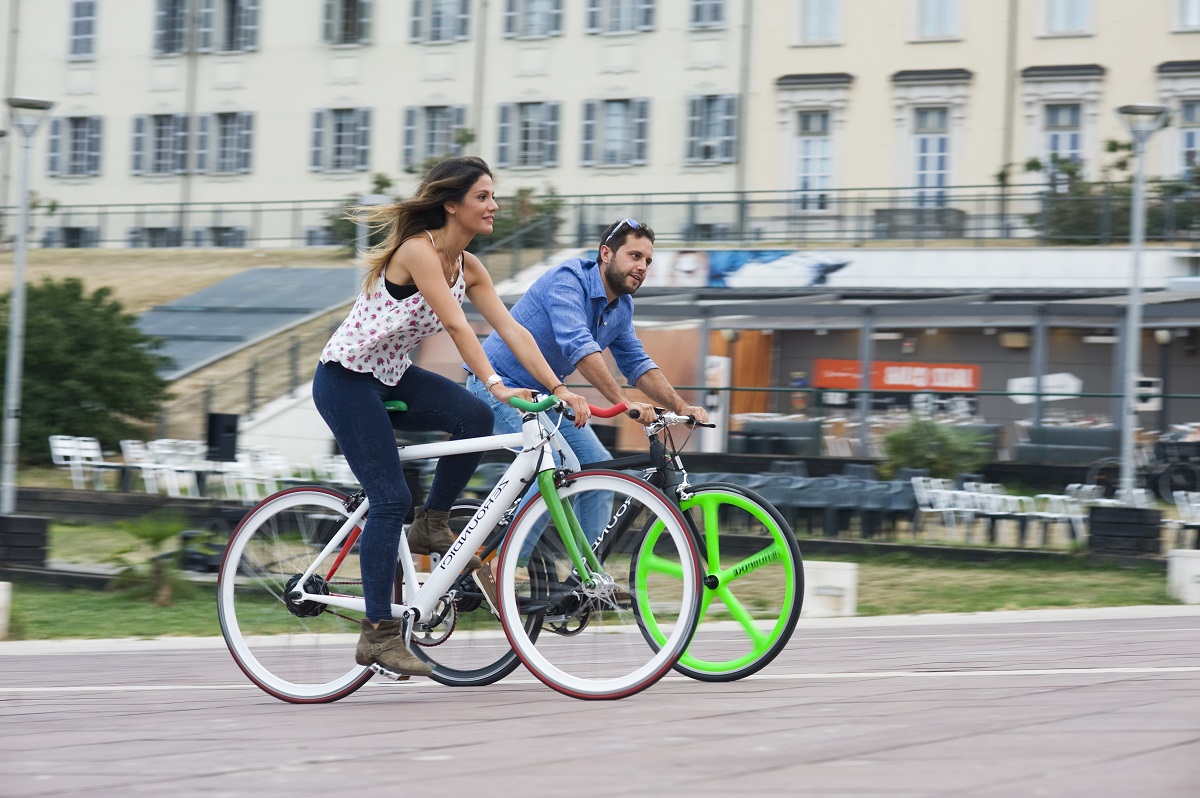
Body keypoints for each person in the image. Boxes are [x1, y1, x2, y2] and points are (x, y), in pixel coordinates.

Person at [312, 156, 590, 679]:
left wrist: (557, 386)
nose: (494, 206)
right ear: (451, 205)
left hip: (390, 376)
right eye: (483, 197)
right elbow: (459, 327)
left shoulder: (472, 266)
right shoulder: (418, 251)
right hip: (346, 379)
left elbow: (514, 332)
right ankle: (377, 634)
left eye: (492, 196)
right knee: (390, 497)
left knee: (472, 417)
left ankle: (433, 522)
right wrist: (497, 384)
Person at [467, 217, 709, 541]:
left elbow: (636, 364)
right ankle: (504, 563)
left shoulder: (622, 306)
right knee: (552, 466)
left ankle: (588, 583)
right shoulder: (569, 278)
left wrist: (681, 405)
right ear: (606, 253)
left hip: (546, 397)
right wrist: (624, 403)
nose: (643, 267)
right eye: (635, 256)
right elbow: (577, 344)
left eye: (648, 261)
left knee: (599, 466)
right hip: (499, 387)